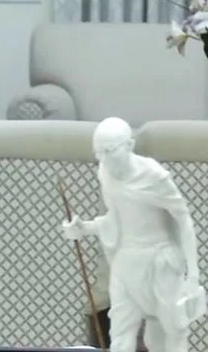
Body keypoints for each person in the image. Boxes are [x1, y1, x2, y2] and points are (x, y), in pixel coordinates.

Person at [61, 117, 205, 352]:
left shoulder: (154, 177)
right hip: (126, 264)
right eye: (99, 153)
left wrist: (193, 276)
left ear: (129, 145)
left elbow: (184, 220)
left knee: (172, 330)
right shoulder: (105, 174)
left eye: (110, 151)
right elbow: (116, 220)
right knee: (120, 335)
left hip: (160, 261)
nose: (104, 159)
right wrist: (84, 228)